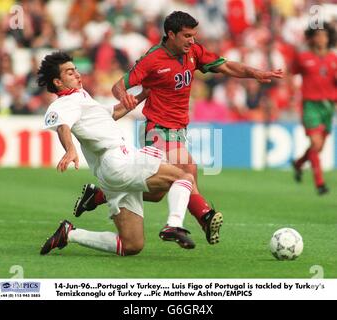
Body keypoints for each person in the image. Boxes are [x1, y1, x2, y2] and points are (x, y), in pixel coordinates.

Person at [76, 11, 283, 245]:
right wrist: (125, 98)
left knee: (157, 192)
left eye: (193, 35)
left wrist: (255, 73)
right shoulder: (152, 59)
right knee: (188, 169)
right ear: (171, 34)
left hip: (179, 129)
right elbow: (118, 86)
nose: (192, 40)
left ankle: (100, 195)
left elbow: (225, 66)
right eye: (186, 36)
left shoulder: (193, 52)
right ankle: (198, 219)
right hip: (156, 129)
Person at [38, 51, 198, 257]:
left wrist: (143, 94)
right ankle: (173, 225)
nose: (77, 74)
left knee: (131, 244)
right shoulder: (63, 104)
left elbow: (112, 113)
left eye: (76, 69)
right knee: (182, 176)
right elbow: (63, 127)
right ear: (58, 82)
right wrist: (70, 149)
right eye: (70, 72)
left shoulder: (81, 97)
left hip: (112, 171)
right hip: (118, 162)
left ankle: (70, 233)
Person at [292, 23, 336, 195]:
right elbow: (291, 74)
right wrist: (291, 93)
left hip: (328, 106)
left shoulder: (334, 58)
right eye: (317, 35)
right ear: (311, 38)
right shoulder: (303, 57)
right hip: (310, 105)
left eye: (324, 35)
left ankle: (298, 164)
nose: (320, 39)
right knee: (316, 143)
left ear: (329, 38)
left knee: (318, 148)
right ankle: (320, 184)